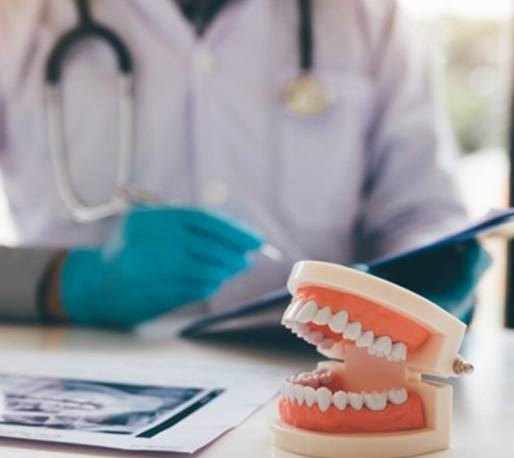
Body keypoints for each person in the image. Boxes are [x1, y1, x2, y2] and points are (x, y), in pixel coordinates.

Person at [0, 0, 488, 328]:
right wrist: (70, 281)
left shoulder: (367, 15)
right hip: (79, 403)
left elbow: (422, 212)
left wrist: (425, 272)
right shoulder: (17, 17)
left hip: (312, 387)